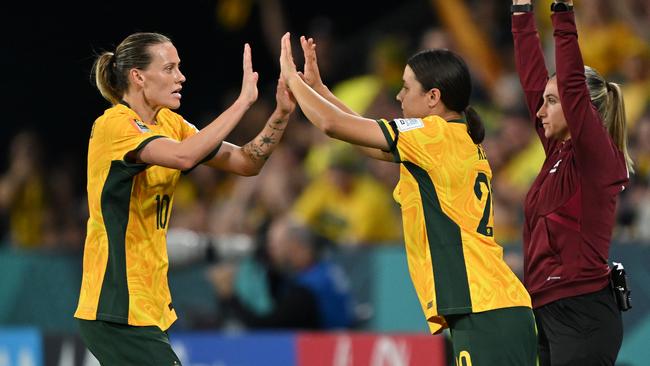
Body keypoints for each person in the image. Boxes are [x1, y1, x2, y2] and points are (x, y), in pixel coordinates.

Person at [279, 33, 537, 365]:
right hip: (494, 305)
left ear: (433, 97)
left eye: (406, 87)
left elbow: (330, 125)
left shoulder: (433, 136)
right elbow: (363, 137)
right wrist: (320, 90)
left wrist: (290, 78)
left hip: (483, 306)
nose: (399, 96)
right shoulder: (453, 139)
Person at [74, 32, 295, 365]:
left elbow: (247, 162)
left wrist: (280, 114)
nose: (181, 77)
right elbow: (184, 157)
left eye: (179, 67)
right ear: (138, 76)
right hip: (116, 305)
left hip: (146, 305)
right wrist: (242, 102)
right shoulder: (114, 127)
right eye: (169, 68)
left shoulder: (170, 124)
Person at [511, 1, 633, 365]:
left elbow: (573, 88)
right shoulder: (557, 154)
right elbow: (533, 80)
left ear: (581, 110)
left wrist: (562, 13)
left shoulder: (596, 159)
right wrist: (521, 12)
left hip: (583, 314)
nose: (539, 110)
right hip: (548, 311)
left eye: (552, 102)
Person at [208, 215, 354, 330]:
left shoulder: (307, 290)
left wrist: (229, 296)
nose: (271, 252)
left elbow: (268, 329)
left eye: (276, 246)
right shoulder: (324, 270)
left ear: (295, 245)